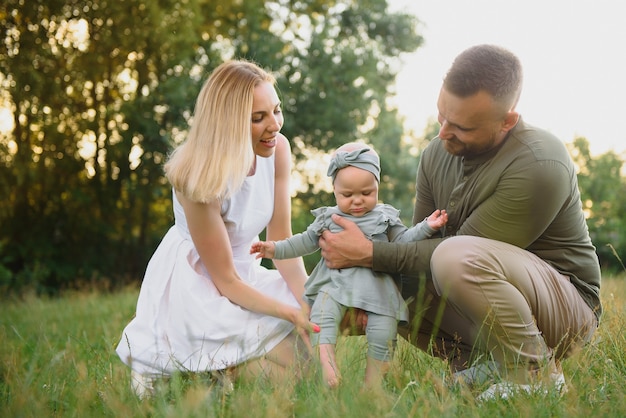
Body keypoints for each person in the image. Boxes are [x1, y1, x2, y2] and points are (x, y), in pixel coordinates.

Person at [317, 44, 602, 401]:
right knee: (368, 287)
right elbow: (414, 250)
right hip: (481, 296)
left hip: (565, 311)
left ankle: (535, 376)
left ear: (507, 122)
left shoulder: (540, 163)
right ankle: (482, 369)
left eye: (462, 126)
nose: (443, 134)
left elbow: (450, 252)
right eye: (441, 117)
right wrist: (359, 292)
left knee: (453, 256)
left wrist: (368, 254)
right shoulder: (435, 153)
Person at [116, 60, 320, 399]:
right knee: (282, 378)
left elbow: (281, 240)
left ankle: (223, 371)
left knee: (307, 366)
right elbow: (225, 280)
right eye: (258, 118)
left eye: (276, 110)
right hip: (199, 283)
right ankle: (198, 374)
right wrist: (288, 312)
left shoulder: (277, 149)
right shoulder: (198, 175)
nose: (275, 126)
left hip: (246, 272)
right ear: (228, 123)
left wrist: (307, 302)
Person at [250, 143, 448, 389]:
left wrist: (427, 226)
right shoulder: (328, 218)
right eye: (347, 195)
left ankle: (373, 386)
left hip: (377, 288)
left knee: (383, 330)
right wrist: (274, 248)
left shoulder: (385, 216)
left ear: (377, 186)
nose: (357, 201)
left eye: (367, 193)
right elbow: (303, 242)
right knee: (322, 313)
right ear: (335, 191)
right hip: (334, 283)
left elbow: (403, 242)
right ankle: (327, 360)